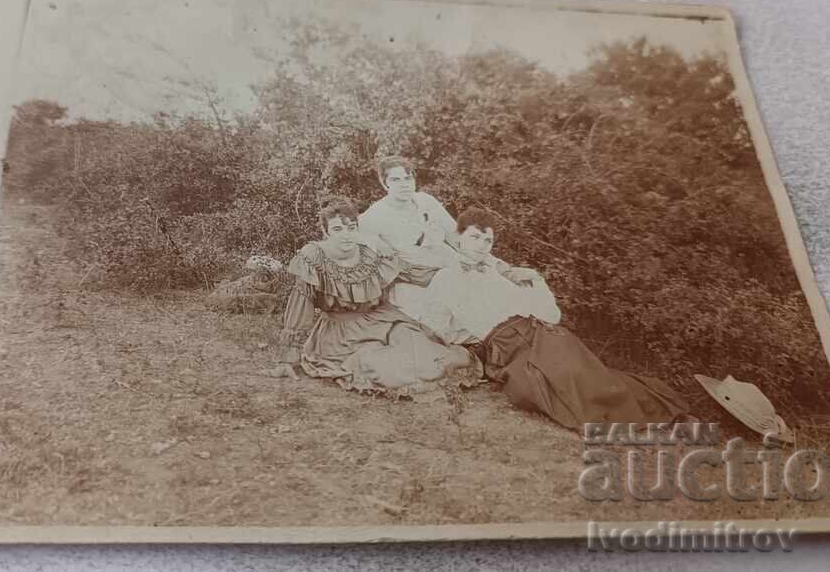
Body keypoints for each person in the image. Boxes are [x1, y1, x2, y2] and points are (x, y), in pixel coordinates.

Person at [421, 207, 689, 428]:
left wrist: (537, 281)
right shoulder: (446, 279)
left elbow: (551, 315)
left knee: (583, 372)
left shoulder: (499, 275)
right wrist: (467, 346)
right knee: (544, 387)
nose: (481, 246)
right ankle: (625, 418)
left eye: (488, 241)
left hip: (543, 333)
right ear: (458, 239)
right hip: (505, 346)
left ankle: (659, 410)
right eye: (475, 238)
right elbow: (437, 324)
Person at [267, 197, 480, 401]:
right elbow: (300, 305)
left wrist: (455, 270)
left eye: (351, 228)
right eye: (337, 229)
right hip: (342, 333)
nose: (346, 235)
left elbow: (408, 272)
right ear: (325, 231)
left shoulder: (367, 254)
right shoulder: (313, 256)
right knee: (384, 367)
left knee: (425, 350)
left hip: (382, 319)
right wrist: (286, 358)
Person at [357, 156, 461, 321]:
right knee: (437, 310)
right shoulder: (375, 214)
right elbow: (352, 235)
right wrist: (375, 242)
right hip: (415, 275)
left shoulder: (426, 201)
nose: (404, 184)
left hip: (446, 261)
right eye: (396, 179)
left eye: (408, 178)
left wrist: (474, 256)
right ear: (385, 184)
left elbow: (455, 235)